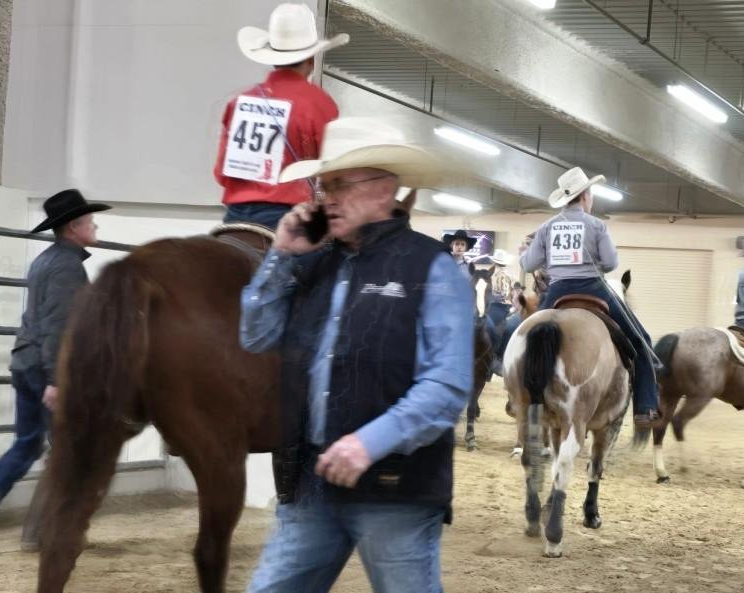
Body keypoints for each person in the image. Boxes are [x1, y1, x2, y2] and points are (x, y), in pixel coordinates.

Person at [239, 117, 472, 593]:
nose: (325, 199)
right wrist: (281, 255)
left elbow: (446, 386)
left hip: (395, 490)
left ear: (384, 189)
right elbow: (255, 336)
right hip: (311, 483)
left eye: (339, 185)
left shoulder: (432, 267)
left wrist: (368, 442)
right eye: (322, 187)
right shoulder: (311, 262)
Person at [0, 189, 110, 554]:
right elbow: (58, 326)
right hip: (45, 368)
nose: (95, 226)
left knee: (27, 444)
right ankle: (48, 532)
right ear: (73, 227)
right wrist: (56, 380)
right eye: (90, 221)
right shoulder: (68, 267)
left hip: (25, 361)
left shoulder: (44, 261)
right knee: (73, 449)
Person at [520, 166, 658, 428]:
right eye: (590, 194)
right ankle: (645, 406)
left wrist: (524, 255)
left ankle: (521, 398)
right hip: (593, 288)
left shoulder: (547, 227)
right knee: (641, 340)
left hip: (557, 291)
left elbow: (528, 264)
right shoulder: (597, 225)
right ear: (585, 196)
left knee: (526, 340)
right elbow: (611, 263)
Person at [215, 3, 348, 229]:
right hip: (288, 216)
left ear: (272, 58)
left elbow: (221, 173)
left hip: (234, 215)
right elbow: (331, 171)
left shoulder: (239, 102)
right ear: (311, 59)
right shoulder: (319, 103)